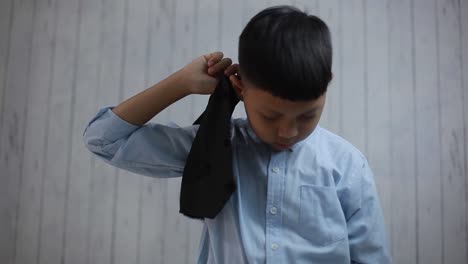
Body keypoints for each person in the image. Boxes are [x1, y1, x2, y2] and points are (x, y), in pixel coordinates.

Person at [83, 5, 391, 264]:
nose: (288, 131)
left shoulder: (348, 164)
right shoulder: (212, 145)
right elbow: (104, 139)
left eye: (307, 115)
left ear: (327, 84)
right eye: (270, 116)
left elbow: (371, 258)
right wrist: (180, 83)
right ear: (241, 87)